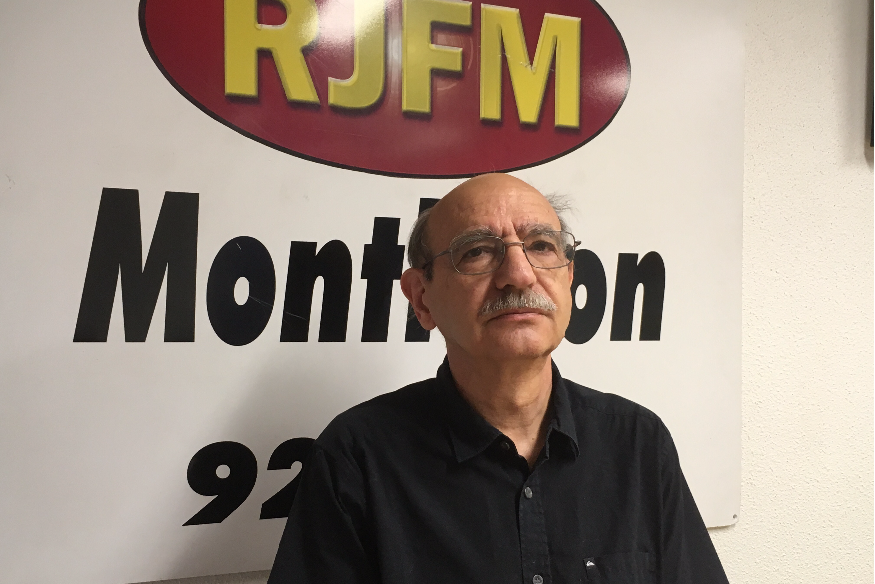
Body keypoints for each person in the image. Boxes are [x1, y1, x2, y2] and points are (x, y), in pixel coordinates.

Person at [267, 173, 728, 584]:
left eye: (541, 246)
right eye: (478, 252)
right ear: (421, 298)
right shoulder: (355, 460)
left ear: (569, 277)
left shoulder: (638, 444)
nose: (520, 275)